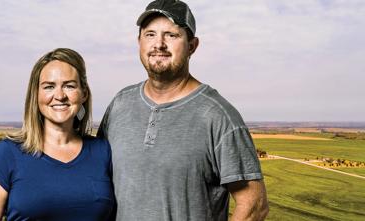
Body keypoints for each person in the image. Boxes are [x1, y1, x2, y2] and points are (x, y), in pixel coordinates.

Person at [97, 0, 268, 220]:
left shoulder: (218, 116)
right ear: (139, 42)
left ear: (192, 46)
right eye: (150, 34)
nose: (159, 44)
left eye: (171, 35)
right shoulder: (120, 103)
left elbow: (254, 205)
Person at [0, 48, 115, 221]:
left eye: (69, 86)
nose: (60, 95)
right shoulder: (8, 153)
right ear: (36, 95)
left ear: (84, 93)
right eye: (49, 86)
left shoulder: (103, 151)